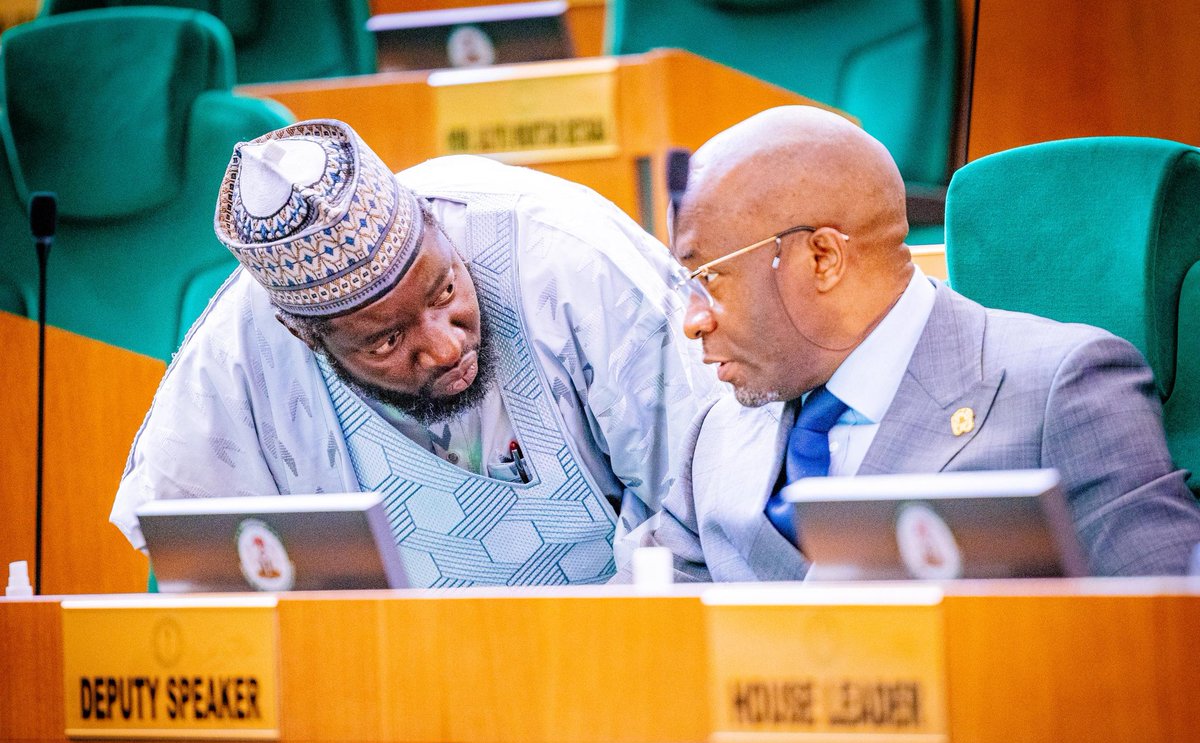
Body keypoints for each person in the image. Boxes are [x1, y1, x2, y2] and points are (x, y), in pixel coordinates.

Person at [111, 119, 717, 587]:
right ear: (305, 334)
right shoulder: (239, 356)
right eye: (386, 340)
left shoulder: (565, 257)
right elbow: (211, 582)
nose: (447, 345)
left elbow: (710, 504)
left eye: (445, 290)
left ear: (436, 224)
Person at [622, 105, 1200, 580]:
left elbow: (1165, 637)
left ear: (822, 258)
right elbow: (629, 635)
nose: (693, 321)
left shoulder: (1061, 388)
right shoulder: (717, 430)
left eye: (709, 278)